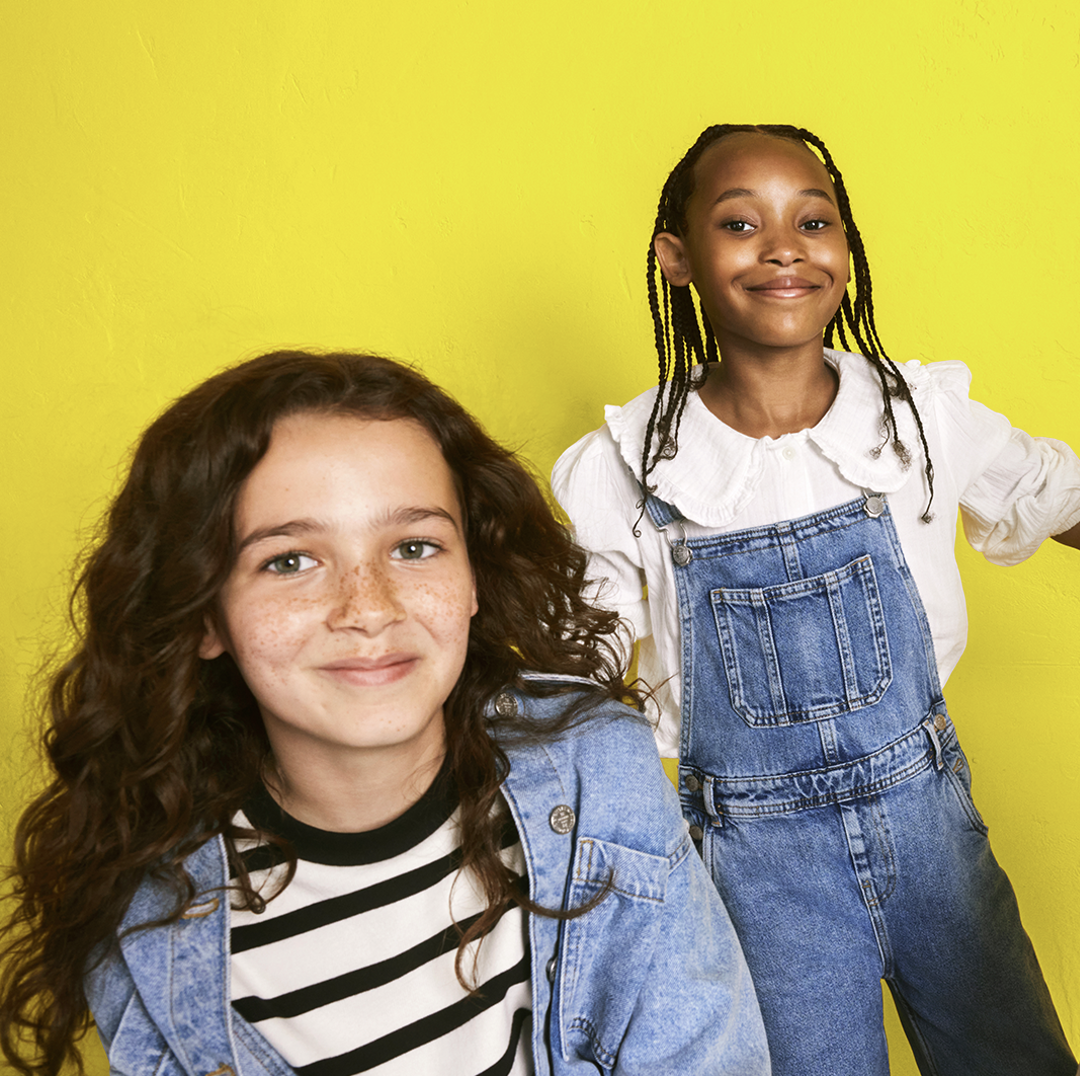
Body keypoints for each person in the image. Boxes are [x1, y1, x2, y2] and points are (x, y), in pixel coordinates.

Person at [0, 350, 771, 1076]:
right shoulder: (144, 918)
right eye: (289, 561)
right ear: (205, 615)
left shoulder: (600, 768)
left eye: (414, 547)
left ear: (475, 575)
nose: (368, 609)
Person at [552, 124, 1080, 1076]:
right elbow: (574, 664)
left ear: (845, 248)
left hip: (933, 831)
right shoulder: (632, 465)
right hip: (758, 869)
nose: (783, 244)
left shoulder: (916, 417)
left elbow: (1052, 493)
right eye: (739, 222)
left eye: (814, 218)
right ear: (678, 260)